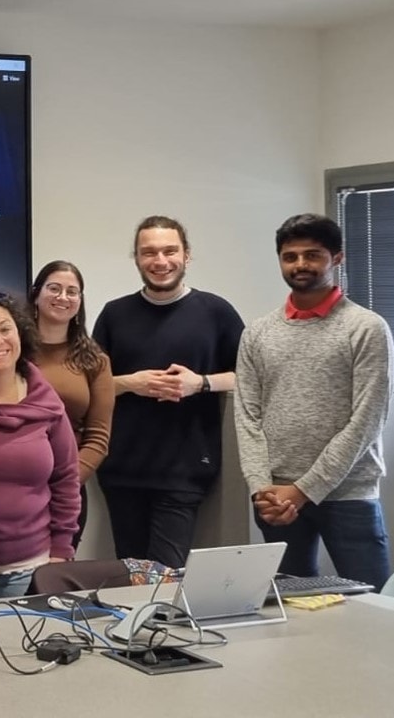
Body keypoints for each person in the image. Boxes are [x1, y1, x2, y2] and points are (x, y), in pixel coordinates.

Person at [234, 213, 394, 591]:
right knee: (289, 607)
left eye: (313, 255)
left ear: (336, 258)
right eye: (290, 257)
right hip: (276, 497)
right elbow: (247, 415)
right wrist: (261, 487)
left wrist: (304, 489)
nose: (301, 265)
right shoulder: (258, 332)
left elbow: (367, 420)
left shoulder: (366, 328)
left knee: (374, 605)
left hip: (349, 495)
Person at [93, 216, 243, 567]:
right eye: (149, 253)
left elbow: (251, 376)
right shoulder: (115, 314)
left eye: (169, 251)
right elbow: (91, 386)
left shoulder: (216, 311)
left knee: (164, 576)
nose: (160, 261)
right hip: (122, 469)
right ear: (137, 258)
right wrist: (131, 382)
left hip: (184, 469)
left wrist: (201, 382)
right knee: (129, 575)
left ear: (186, 255)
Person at [0, 293, 80, 599]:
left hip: (31, 566)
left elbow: (66, 480)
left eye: (5, 329)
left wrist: (61, 550)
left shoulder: (47, 402)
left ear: (20, 333)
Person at [29, 260, 112, 547]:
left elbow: (98, 438)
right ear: (36, 295)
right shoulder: (9, 352)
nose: (63, 297)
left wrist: (65, 485)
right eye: (54, 288)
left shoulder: (95, 361)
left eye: (72, 291)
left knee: (56, 578)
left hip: (67, 490)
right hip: (12, 490)